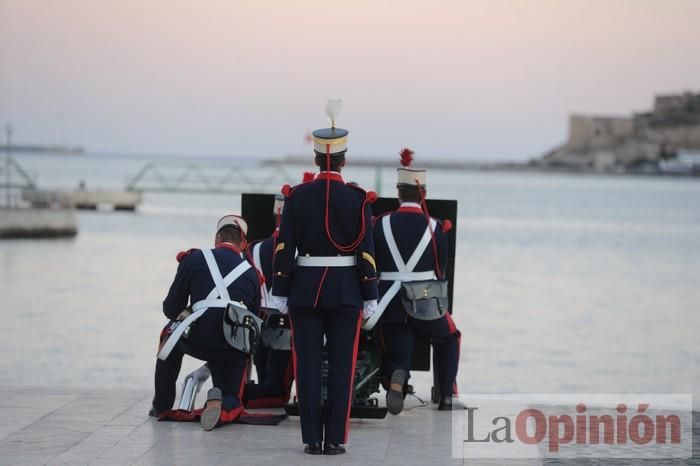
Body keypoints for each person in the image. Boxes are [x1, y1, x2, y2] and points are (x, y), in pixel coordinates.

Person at [270, 100, 378, 455]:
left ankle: (311, 440)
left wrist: (280, 289)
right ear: (343, 160)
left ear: (317, 160)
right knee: (343, 367)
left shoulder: (298, 197)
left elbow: (284, 247)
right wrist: (371, 293)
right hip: (347, 291)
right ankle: (335, 440)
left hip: (305, 291)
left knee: (308, 366)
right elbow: (365, 251)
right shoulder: (358, 199)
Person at [151, 215, 261, 430]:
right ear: (244, 244)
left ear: (216, 238)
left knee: (169, 334)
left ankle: (162, 405)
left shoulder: (194, 259)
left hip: (197, 338)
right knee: (232, 397)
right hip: (233, 343)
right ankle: (220, 404)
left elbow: (171, 309)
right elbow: (255, 318)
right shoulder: (252, 273)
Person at [372, 149, 460, 413]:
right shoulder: (435, 226)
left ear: (398, 193)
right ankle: (446, 396)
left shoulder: (380, 223)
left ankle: (398, 376)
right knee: (449, 336)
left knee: (398, 346)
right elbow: (440, 269)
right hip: (423, 299)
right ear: (423, 194)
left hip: (388, 303)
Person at [245, 193, 295, 408]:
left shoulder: (253, 248)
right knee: (277, 392)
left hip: (258, 323)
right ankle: (235, 395)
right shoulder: (300, 250)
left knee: (266, 377)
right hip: (286, 326)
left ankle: (235, 392)